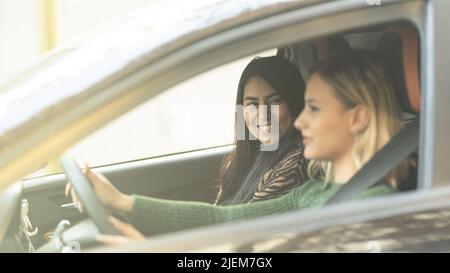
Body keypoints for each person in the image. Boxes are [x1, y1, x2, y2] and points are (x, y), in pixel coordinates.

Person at [67, 50, 413, 244]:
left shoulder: (372, 212)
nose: (301, 121)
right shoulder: (311, 193)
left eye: (314, 108)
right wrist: (122, 201)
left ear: (358, 119)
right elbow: (222, 219)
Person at [215, 56, 308, 205]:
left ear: (294, 101)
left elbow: (249, 224)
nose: (264, 114)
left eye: (275, 101)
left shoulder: (293, 167)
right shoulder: (242, 160)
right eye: (252, 104)